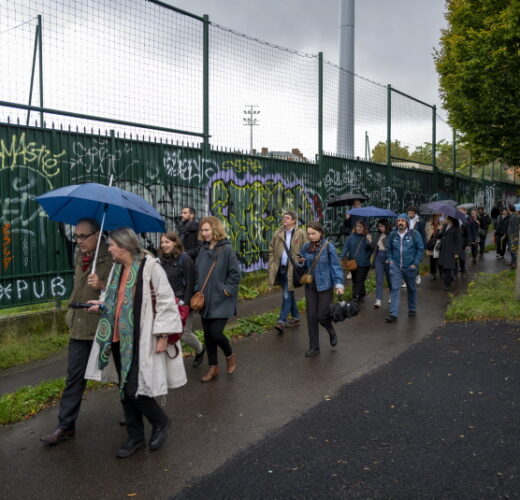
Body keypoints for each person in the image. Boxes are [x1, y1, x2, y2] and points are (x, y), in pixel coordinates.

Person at [85, 227, 187, 458]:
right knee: (124, 390)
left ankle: (161, 421)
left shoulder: (150, 267)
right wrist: (101, 304)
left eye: (111, 244)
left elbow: (165, 301)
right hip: (118, 338)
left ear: (123, 246)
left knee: (133, 390)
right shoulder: (117, 269)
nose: (109, 248)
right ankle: (135, 438)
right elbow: (115, 298)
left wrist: (163, 336)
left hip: (142, 339)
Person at [40, 218, 113, 446]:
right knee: (74, 378)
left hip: (103, 327)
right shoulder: (79, 256)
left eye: (84, 236)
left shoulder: (112, 257)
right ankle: (65, 426)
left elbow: (123, 293)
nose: (78, 240)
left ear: (97, 235)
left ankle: (135, 415)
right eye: (76, 235)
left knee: (121, 375)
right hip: (80, 327)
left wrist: (103, 285)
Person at [195, 216, 241, 383]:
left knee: (216, 333)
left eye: (207, 230)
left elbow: (235, 274)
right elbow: (198, 273)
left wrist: (226, 290)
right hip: (205, 299)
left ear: (215, 229)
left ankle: (230, 355)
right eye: (202, 230)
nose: (204, 233)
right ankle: (213, 367)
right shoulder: (203, 250)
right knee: (207, 335)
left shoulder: (226, 249)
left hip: (222, 299)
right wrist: (197, 289)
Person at [297, 221, 344, 357]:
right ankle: (314, 347)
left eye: (313, 233)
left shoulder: (328, 247)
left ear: (320, 233)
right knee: (311, 317)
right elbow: (300, 262)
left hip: (325, 286)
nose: (311, 236)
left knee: (322, 315)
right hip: (310, 286)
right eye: (309, 234)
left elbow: (335, 266)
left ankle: (331, 331)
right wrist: (299, 262)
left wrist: (339, 284)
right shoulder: (305, 247)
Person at [159, 231, 205, 368]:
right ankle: (172, 364)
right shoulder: (161, 260)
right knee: (167, 333)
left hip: (182, 302)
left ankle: (200, 349)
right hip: (166, 302)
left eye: (167, 242)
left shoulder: (184, 259)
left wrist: (185, 304)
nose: (164, 245)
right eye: (162, 242)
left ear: (175, 243)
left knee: (184, 334)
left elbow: (191, 283)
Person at [268, 211, 307, 334]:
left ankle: (281, 321)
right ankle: (296, 317)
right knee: (289, 292)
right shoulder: (278, 233)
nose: (284, 219)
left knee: (286, 294)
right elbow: (271, 248)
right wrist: (271, 263)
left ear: (294, 221)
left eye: (287, 218)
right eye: (284, 217)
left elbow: (306, 249)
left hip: (293, 269)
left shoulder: (301, 233)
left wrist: (302, 262)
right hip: (281, 268)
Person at [385, 213, 424, 323]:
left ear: (407, 222)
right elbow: (389, 248)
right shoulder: (393, 234)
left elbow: (420, 249)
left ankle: (412, 308)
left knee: (411, 288)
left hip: (410, 267)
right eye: (398, 221)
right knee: (395, 288)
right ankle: (393, 313)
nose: (400, 223)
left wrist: (415, 263)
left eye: (403, 221)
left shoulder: (414, 234)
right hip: (396, 266)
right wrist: (391, 261)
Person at [341, 220, 373, 302]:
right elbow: (345, 248)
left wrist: (370, 241)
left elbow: (372, 249)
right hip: (353, 263)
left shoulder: (367, 237)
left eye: (361, 227)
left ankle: (355, 297)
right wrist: (342, 256)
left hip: (364, 263)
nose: (359, 228)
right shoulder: (350, 237)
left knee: (359, 280)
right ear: (355, 227)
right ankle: (361, 294)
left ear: (364, 228)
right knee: (355, 280)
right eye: (357, 226)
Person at [370, 218, 392, 307]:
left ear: (386, 226)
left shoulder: (391, 235)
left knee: (390, 279)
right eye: (379, 226)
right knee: (379, 279)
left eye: (381, 226)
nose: (380, 228)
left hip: (388, 257)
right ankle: (378, 300)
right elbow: (372, 246)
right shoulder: (378, 235)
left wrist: (391, 258)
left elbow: (393, 247)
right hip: (379, 257)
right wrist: (369, 240)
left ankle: (392, 295)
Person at [437, 217, 461, 291]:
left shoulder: (456, 229)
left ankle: (447, 285)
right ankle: (449, 279)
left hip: (451, 251)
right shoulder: (444, 226)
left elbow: (458, 241)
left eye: (447, 219)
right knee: (443, 267)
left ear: (451, 220)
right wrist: (439, 230)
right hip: (443, 250)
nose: (445, 220)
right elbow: (439, 236)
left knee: (448, 268)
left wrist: (457, 252)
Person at [407, 206, 426, 285]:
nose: (410, 214)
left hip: (416, 244)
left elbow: (422, 234)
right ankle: (407, 278)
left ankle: (417, 275)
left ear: (415, 213)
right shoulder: (405, 220)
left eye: (412, 213)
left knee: (415, 260)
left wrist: (423, 246)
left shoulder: (420, 221)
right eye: (409, 213)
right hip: (407, 243)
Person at [425, 213, 442, 280]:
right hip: (432, 243)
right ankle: (433, 274)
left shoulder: (442, 224)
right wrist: (436, 230)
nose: (437, 218)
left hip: (439, 243)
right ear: (433, 217)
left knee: (439, 259)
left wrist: (439, 229)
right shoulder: (428, 224)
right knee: (432, 259)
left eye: (438, 216)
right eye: (436, 216)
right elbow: (428, 234)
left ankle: (441, 272)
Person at [507, 205, 520, 269]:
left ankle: (514, 263)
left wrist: (516, 236)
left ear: (509, 210)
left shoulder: (515, 216)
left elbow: (516, 227)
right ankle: (512, 262)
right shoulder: (511, 216)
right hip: (510, 236)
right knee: (511, 249)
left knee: (513, 250)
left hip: (513, 236)